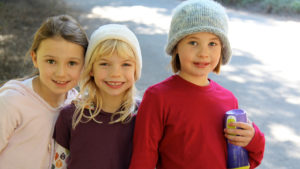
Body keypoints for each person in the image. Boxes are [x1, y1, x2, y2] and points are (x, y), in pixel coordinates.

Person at [129, 0, 265, 169]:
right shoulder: (157, 97)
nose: (203, 53)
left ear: (222, 49)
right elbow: (143, 157)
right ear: (176, 46)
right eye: (193, 42)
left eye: (212, 44)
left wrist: (253, 138)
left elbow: (244, 160)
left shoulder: (229, 100)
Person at [0, 15, 88, 169]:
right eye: (51, 61)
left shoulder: (77, 107)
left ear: (84, 65)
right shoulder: (12, 102)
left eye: (72, 63)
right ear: (35, 58)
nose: (61, 73)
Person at [51, 24, 142, 169]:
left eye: (126, 64)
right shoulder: (70, 116)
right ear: (91, 69)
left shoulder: (145, 115)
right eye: (104, 64)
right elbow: (58, 165)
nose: (115, 74)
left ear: (136, 70)